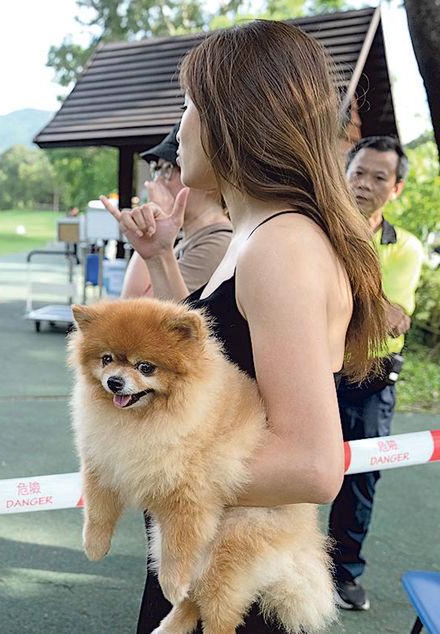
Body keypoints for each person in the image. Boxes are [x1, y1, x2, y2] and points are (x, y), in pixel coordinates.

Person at [101, 20, 388, 633]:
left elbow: (312, 466)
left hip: (240, 577)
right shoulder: (256, 234)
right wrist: (160, 258)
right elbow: (220, 357)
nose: (178, 128)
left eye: (188, 105)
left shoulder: (281, 245)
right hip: (211, 552)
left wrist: (149, 471)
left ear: (233, 116)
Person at [329, 135, 424, 611]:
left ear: (397, 189)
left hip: (372, 378)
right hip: (316, 367)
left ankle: (343, 572)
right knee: (290, 466)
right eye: (357, 173)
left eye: (378, 177)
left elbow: (391, 317)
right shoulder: (314, 230)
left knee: (361, 477)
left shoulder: (405, 247)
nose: (364, 185)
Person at [121, 124, 231, 298]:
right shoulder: (191, 239)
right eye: (156, 169)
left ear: (209, 179)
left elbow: (136, 307)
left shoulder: (218, 243)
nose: (156, 182)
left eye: (169, 169)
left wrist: (152, 229)